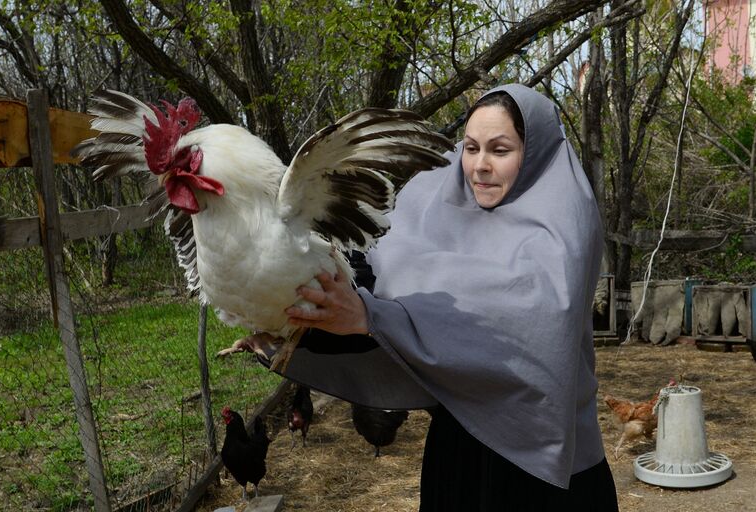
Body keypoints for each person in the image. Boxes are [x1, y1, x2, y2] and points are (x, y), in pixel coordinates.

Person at [245, 84, 619, 511]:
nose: (479, 166)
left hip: (545, 462)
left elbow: (521, 328)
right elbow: (375, 297)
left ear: (534, 153)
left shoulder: (561, 226)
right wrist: (287, 320)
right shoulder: (431, 209)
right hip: (462, 449)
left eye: (500, 150)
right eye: (471, 147)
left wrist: (375, 317)